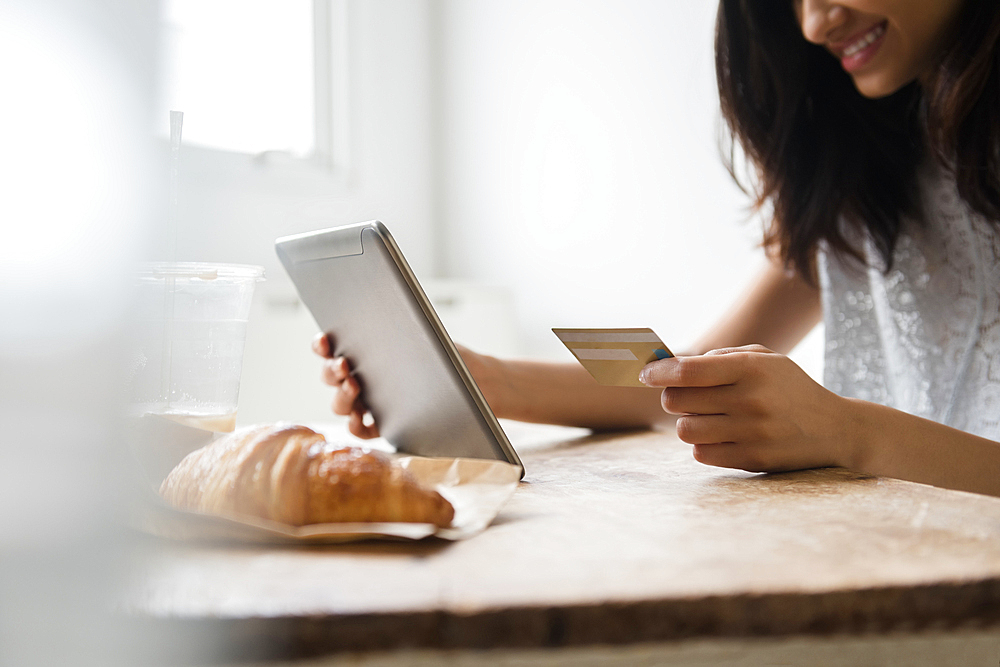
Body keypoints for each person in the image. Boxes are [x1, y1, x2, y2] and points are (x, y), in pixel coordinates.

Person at [315, 0, 1000, 496]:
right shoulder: (864, 179)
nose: (814, 22)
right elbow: (676, 373)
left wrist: (847, 430)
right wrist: (482, 379)